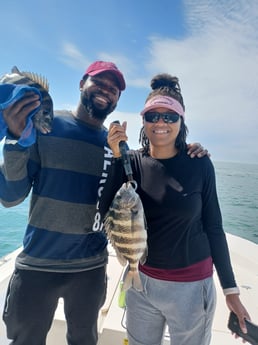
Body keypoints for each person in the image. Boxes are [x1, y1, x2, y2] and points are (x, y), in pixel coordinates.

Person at [0, 62, 207, 345]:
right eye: (100, 83)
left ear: (118, 100)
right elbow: (11, 196)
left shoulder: (117, 147)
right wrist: (15, 139)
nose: (106, 91)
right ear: (82, 83)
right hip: (38, 265)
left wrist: (189, 151)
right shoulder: (46, 127)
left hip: (91, 270)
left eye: (114, 89)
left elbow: (151, 174)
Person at [98, 73, 251, 345]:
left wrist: (231, 290)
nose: (160, 123)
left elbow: (214, 227)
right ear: (143, 121)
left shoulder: (200, 164)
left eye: (169, 116)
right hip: (141, 282)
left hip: (191, 287)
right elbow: (106, 209)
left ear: (181, 121)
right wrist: (117, 155)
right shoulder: (130, 161)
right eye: (152, 116)